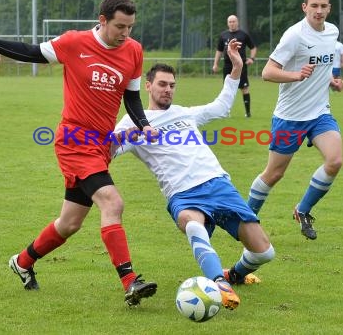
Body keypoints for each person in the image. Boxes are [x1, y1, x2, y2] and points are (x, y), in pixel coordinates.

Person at [0, 0, 159, 307]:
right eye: (120, 26)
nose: (126, 33)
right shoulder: (74, 43)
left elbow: (132, 98)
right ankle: (130, 281)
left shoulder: (133, 51)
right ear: (103, 20)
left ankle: (22, 261)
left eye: (131, 27)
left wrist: (144, 124)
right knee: (112, 201)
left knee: (70, 223)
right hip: (74, 140)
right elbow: (28, 52)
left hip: (101, 145)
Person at [113, 39, 275, 311]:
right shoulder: (133, 120)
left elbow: (221, 107)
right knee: (192, 224)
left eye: (172, 85)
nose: (168, 90)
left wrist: (235, 69)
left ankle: (232, 275)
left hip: (218, 184)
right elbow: (108, 150)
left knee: (264, 252)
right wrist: (133, 133)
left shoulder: (184, 114)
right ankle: (216, 283)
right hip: (183, 193)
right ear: (148, 85)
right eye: (162, 84)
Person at [246, 0, 343, 240]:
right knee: (274, 173)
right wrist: (295, 75)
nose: (319, 11)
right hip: (290, 117)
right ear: (305, 7)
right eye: (314, 6)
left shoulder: (332, 32)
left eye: (323, 6)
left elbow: (323, 64)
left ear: (329, 7)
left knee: (334, 161)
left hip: (320, 113)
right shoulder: (295, 35)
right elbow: (267, 72)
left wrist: (331, 81)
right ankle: (245, 217)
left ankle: (303, 210)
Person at [212, 15, 257, 118]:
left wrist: (252, 58)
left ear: (237, 22)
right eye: (230, 22)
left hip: (241, 66)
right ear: (227, 23)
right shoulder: (223, 35)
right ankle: (226, 113)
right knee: (227, 89)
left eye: (234, 21)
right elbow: (219, 51)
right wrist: (215, 64)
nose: (232, 23)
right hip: (228, 66)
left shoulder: (243, 35)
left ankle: (248, 113)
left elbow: (253, 48)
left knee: (244, 88)